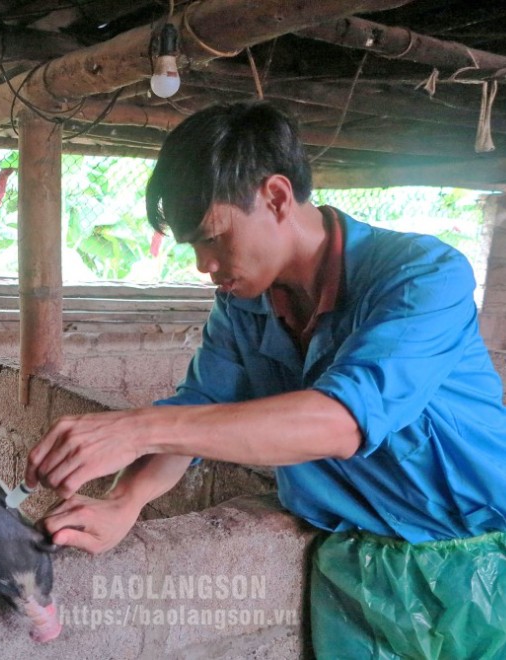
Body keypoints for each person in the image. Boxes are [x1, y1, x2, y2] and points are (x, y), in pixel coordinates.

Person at [25, 101, 506, 657]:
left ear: (276, 197)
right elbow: (201, 405)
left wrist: (138, 428)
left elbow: (342, 420)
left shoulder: (423, 276)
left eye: (211, 237)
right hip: (358, 568)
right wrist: (127, 499)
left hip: (481, 562)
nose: (204, 264)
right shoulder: (241, 308)